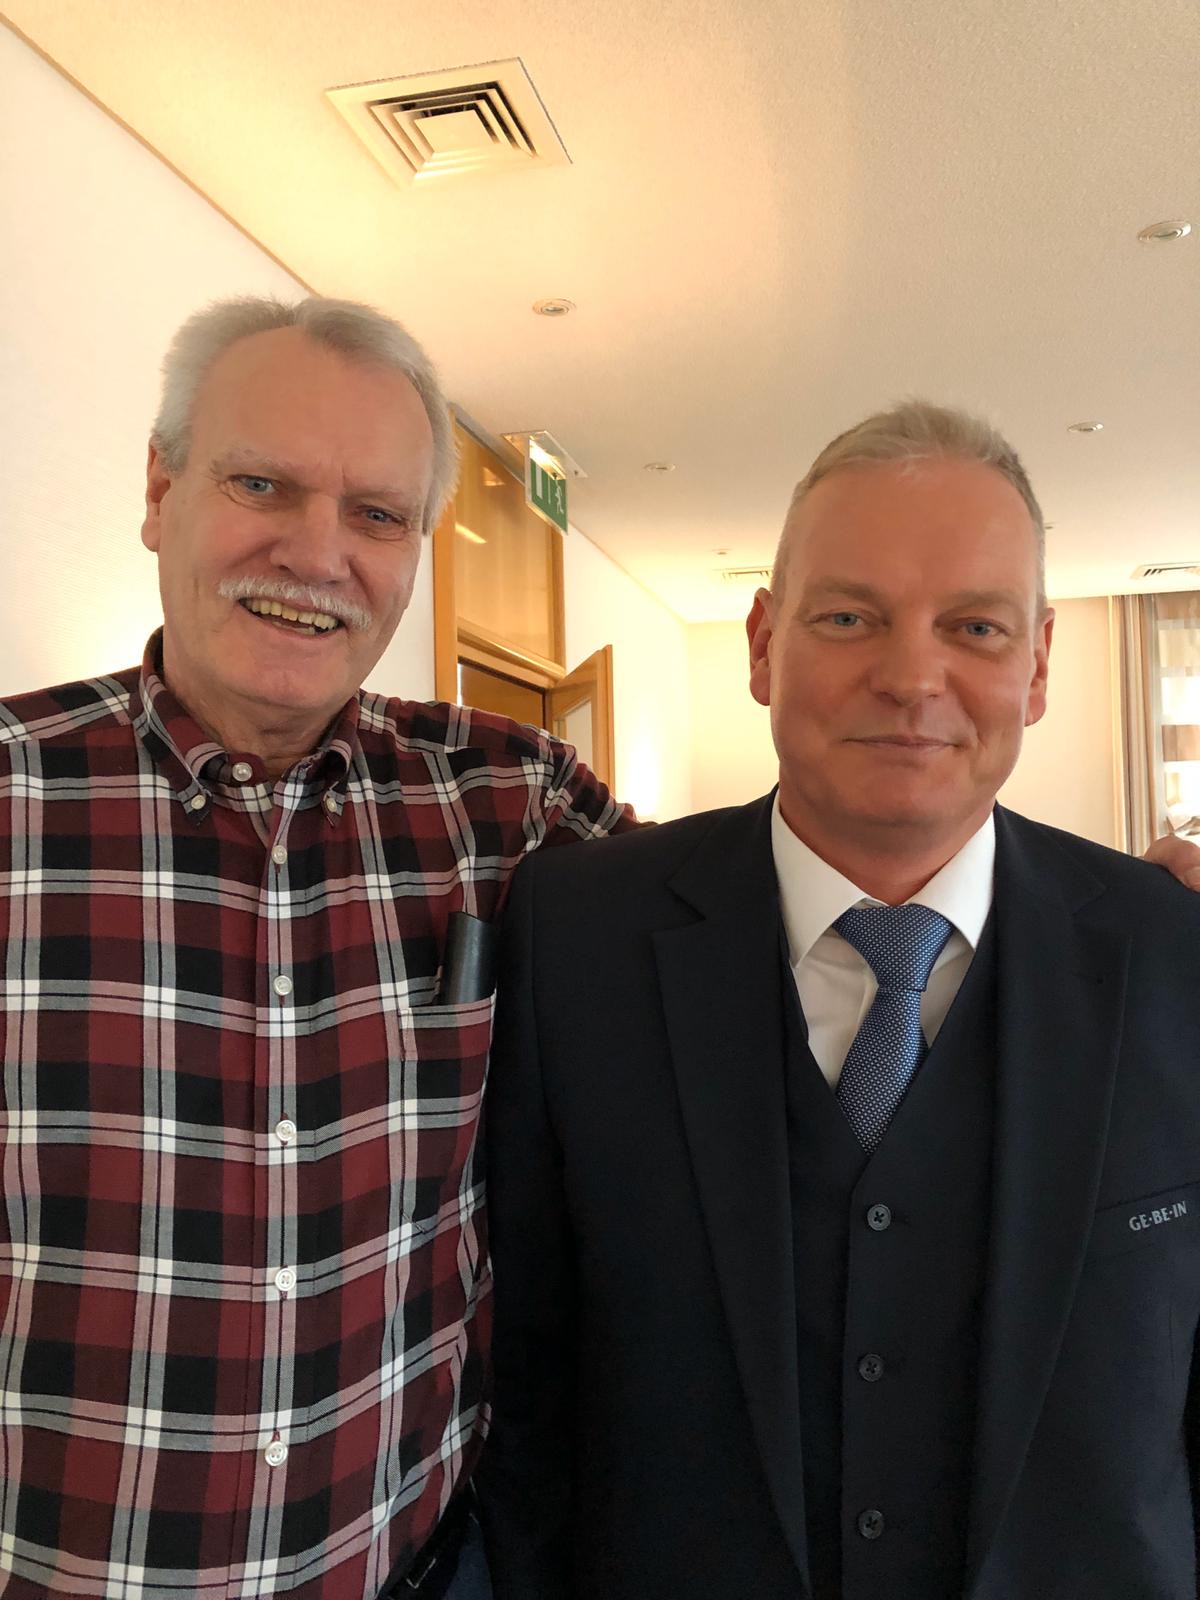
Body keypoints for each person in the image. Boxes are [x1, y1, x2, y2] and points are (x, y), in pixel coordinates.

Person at [477, 400, 1200, 1600]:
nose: (911, 676)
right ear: (764, 643)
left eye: (974, 626)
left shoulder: (1174, 951)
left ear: (1037, 666)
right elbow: (531, 1384)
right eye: (850, 617)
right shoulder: (576, 934)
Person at [0, 295, 638, 1600]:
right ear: (160, 491)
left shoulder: (507, 802)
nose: (317, 552)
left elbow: (747, 937)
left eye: (377, 514)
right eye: (262, 484)